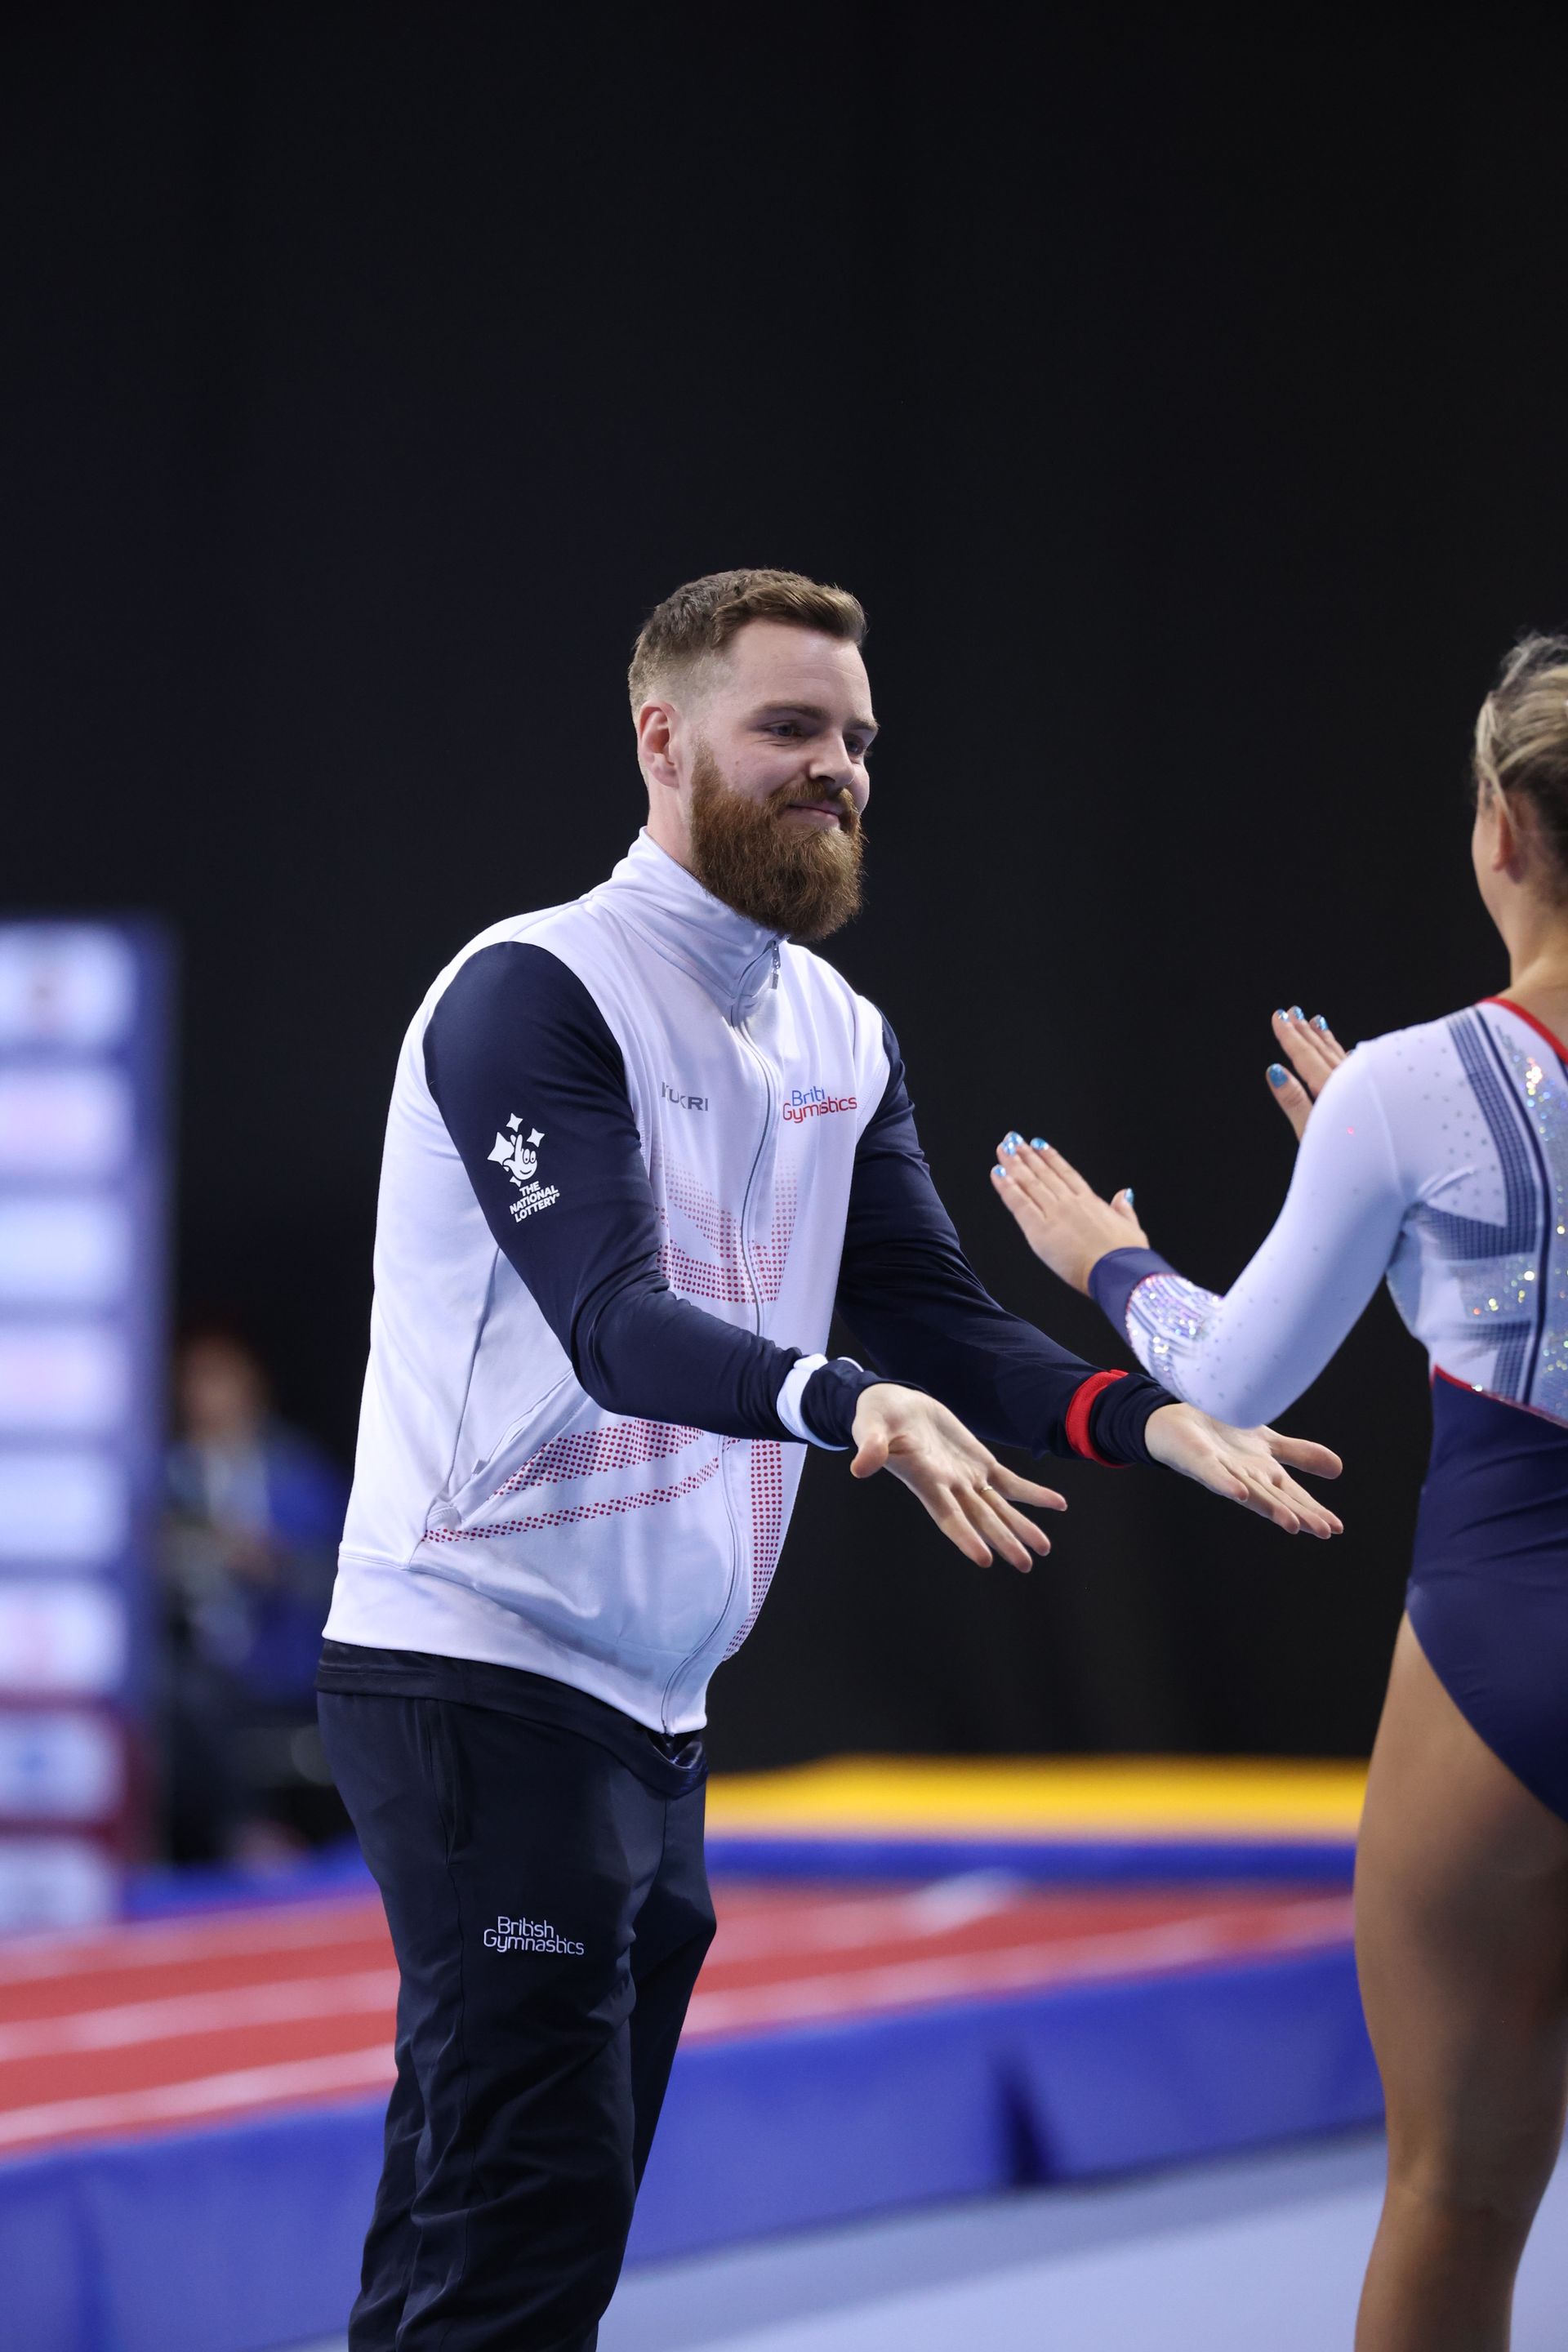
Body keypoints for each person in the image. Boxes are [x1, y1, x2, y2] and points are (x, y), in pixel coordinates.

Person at [316, 568, 1341, 2352]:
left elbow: (941, 1320)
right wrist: (837, 1399)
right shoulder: (530, 993)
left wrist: (1152, 1417)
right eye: (789, 730)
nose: (837, 771)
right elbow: (612, 1320)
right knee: (517, 2238)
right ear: (666, 741)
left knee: (515, 2228)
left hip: (656, 1701)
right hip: (475, 1665)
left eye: (857, 741)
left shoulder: (836, 1033)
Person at [988, 633, 1568, 2352]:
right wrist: (1415, 1230)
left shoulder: (1411, 1088)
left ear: (1500, 830)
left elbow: (1230, 1377)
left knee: (1454, 2199)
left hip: (1505, 1648)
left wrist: (1114, 1261)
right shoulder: (1398, 1104)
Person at [161, 1330, 347, 1862]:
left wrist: (271, 1565)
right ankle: (241, 1832)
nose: (204, 1394)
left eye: (218, 1377)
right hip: (198, 1660)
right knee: (179, 1687)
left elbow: (338, 1573)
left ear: (252, 1387)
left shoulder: (299, 1471)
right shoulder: (166, 1475)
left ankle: (258, 1835)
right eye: (193, 1380)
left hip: (281, 1658)